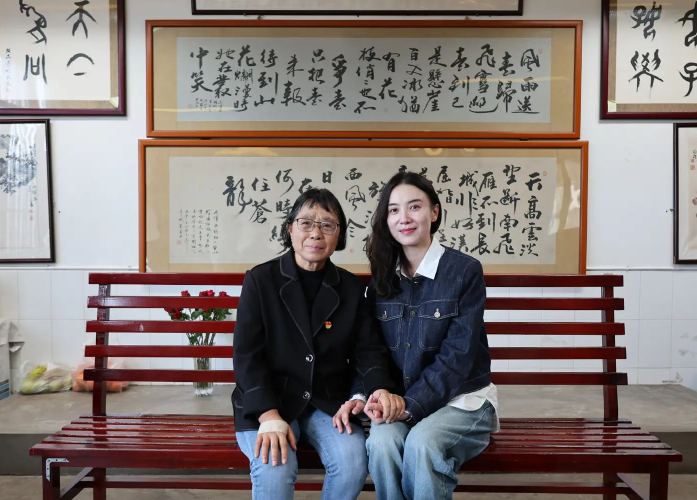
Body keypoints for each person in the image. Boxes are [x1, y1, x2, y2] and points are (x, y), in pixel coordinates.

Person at [232, 188, 400, 500]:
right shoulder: (260, 280)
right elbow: (247, 356)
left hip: (326, 402)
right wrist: (268, 416)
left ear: (340, 235)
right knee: (274, 464)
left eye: (327, 225)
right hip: (269, 401)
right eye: (306, 223)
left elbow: (368, 351)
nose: (316, 233)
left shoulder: (351, 287)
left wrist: (372, 392)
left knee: (352, 461)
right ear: (290, 229)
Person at [362, 171, 499, 500]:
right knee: (381, 442)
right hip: (401, 402)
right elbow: (371, 350)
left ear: (434, 212)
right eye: (394, 210)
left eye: (414, 207)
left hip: (462, 402)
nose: (404, 218)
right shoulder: (381, 278)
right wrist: (382, 396)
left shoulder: (464, 271)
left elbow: (458, 356)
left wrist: (410, 406)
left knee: (423, 443)